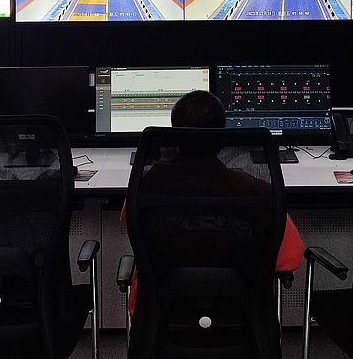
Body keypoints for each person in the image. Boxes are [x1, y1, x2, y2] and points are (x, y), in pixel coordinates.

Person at [122, 90, 305, 314]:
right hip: (239, 316)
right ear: (222, 140)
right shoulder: (257, 193)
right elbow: (290, 259)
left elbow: (130, 222)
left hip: (160, 317)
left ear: (174, 137)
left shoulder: (145, 189)